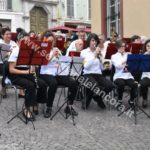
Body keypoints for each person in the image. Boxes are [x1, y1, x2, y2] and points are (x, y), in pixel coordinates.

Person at [8, 32, 47, 120]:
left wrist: (34, 63)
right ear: (18, 41)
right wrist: (27, 72)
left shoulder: (29, 51)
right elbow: (11, 70)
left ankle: (35, 103)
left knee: (42, 84)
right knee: (31, 85)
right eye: (24, 41)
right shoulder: (15, 51)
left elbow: (32, 67)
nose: (26, 43)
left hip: (27, 73)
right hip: (16, 75)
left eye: (28, 41)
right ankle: (26, 108)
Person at [39, 30, 78, 118]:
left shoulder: (56, 50)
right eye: (49, 41)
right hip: (45, 73)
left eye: (53, 41)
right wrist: (52, 55)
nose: (52, 43)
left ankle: (69, 105)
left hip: (57, 73)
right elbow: (44, 62)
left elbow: (62, 63)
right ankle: (49, 107)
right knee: (53, 84)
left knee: (73, 83)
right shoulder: (41, 49)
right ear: (44, 40)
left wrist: (61, 59)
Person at [80, 33, 114, 109]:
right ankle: (87, 100)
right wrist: (94, 55)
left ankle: (98, 97)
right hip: (87, 74)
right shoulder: (84, 52)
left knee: (110, 85)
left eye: (95, 41)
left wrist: (107, 66)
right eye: (92, 40)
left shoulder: (99, 52)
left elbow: (102, 68)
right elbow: (86, 66)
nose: (94, 42)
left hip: (98, 74)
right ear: (89, 41)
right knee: (94, 85)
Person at [111, 40, 138, 109]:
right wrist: (127, 59)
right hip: (118, 76)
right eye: (121, 46)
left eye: (124, 46)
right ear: (117, 47)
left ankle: (131, 101)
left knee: (134, 84)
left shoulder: (128, 54)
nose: (123, 48)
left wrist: (132, 58)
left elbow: (133, 66)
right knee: (121, 84)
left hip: (128, 75)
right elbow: (118, 66)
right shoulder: (114, 56)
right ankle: (119, 100)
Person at [140, 39, 150, 108]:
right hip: (146, 75)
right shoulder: (142, 55)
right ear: (145, 47)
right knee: (143, 84)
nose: (149, 48)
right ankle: (144, 99)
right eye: (148, 46)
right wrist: (144, 56)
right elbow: (139, 67)